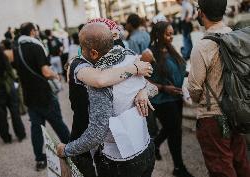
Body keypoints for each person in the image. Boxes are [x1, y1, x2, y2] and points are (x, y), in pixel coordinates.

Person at [58, 23, 155, 177]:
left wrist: (66, 149)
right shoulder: (130, 57)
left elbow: (97, 134)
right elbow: (151, 86)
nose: (80, 54)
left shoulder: (100, 80)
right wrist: (143, 90)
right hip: (147, 148)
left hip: (119, 161)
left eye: (82, 48)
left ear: (94, 53)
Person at [188, 0, 250, 176]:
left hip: (212, 116)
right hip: (236, 111)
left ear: (201, 12)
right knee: (240, 162)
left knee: (221, 167)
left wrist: (194, 97)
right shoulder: (235, 36)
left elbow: (194, 87)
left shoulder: (202, 46)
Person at [13, 22, 70, 171]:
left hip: (29, 96)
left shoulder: (17, 49)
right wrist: (56, 75)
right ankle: (73, 151)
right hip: (43, 94)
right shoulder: (36, 46)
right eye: (36, 30)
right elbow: (45, 71)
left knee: (36, 129)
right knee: (58, 123)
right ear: (32, 31)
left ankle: (39, 160)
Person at [141, 21, 194, 177]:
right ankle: (179, 168)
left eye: (172, 33)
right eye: (168, 34)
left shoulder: (170, 49)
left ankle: (155, 144)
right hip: (162, 100)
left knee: (172, 128)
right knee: (175, 131)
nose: (171, 37)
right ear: (158, 35)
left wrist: (190, 73)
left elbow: (175, 70)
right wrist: (164, 88)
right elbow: (141, 80)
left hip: (176, 96)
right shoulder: (148, 54)